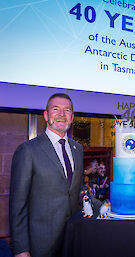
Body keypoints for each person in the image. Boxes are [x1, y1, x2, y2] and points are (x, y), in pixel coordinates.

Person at [9, 93, 84, 257]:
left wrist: (108, 209)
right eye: (56, 109)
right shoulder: (28, 151)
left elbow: (79, 190)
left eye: (67, 110)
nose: (61, 114)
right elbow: (17, 205)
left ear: (72, 117)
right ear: (46, 115)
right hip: (40, 245)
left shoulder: (78, 149)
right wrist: (21, 249)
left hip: (72, 240)